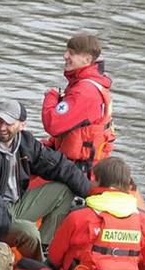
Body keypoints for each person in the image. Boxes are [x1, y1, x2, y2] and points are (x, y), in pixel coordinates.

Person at [13, 157, 145, 270]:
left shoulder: (79, 217)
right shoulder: (144, 222)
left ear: (98, 181)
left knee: (22, 266)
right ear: (127, 185)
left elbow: (54, 261)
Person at [0, 99, 91, 257]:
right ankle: (36, 263)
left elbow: (58, 165)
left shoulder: (26, 143)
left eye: (8, 123)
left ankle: (46, 247)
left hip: (17, 204)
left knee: (64, 191)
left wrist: (91, 192)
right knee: (30, 231)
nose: (2, 127)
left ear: (22, 125)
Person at [41, 33, 116, 179]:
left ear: (87, 59)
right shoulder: (88, 85)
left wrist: (51, 96)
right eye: (67, 50)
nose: (65, 55)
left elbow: (53, 124)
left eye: (72, 53)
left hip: (78, 169)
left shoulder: (84, 92)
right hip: (80, 162)